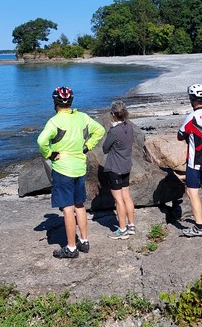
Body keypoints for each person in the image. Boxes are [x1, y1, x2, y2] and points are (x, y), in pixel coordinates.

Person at [37, 86, 105, 258]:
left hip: (63, 169)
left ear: (55, 102)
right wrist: (87, 146)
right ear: (71, 101)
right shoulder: (82, 117)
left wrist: (49, 154)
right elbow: (100, 130)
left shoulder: (54, 122)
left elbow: (41, 140)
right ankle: (84, 240)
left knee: (67, 208)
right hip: (79, 167)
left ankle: (71, 248)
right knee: (79, 205)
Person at [177, 83, 202, 236]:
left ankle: (199, 227)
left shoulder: (192, 116)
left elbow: (180, 135)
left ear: (191, 99)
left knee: (192, 192)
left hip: (195, 160)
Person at [102, 100, 135, 240]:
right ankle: (131, 225)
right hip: (126, 166)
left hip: (115, 167)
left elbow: (105, 149)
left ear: (113, 114)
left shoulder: (114, 131)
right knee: (126, 196)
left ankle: (122, 230)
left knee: (118, 200)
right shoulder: (130, 127)